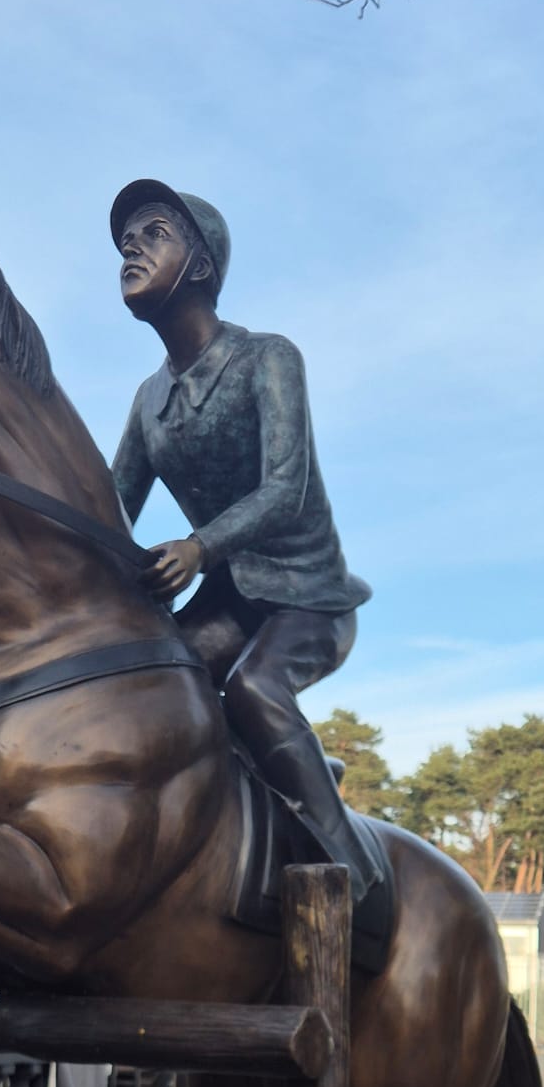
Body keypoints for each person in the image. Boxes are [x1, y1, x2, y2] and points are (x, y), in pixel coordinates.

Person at [110, 180, 388, 904]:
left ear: (201, 265)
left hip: (308, 599)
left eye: (154, 233)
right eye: (126, 239)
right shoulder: (148, 401)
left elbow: (285, 487)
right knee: (147, 686)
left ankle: (349, 872)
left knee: (255, 689)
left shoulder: (268, 358)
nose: (131, 246)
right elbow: (110, 509)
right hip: (230, 603)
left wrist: (198, 548)